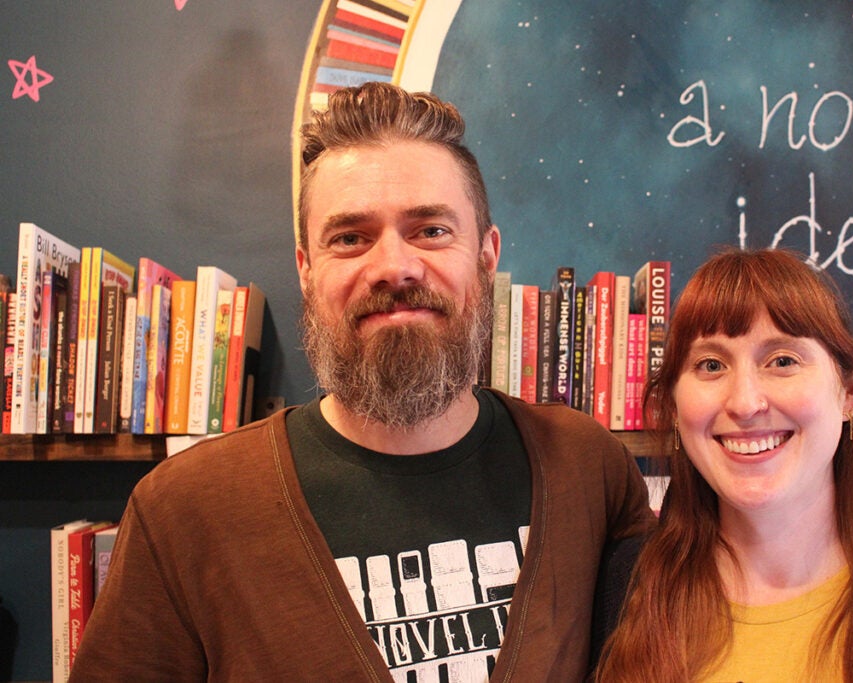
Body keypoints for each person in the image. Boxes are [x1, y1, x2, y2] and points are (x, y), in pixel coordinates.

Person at [70, 82, 655, 681]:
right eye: (350, 238)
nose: (394, 268)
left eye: (431, 230)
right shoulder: (184, 509)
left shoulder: (587, 468)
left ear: (486, 254)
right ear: (306, 270)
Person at [596, 248, 853, 682]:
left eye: (783, 361)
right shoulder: (618, 590)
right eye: (711, 365)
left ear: (849, 393)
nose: (744, 402)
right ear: (672, 405)